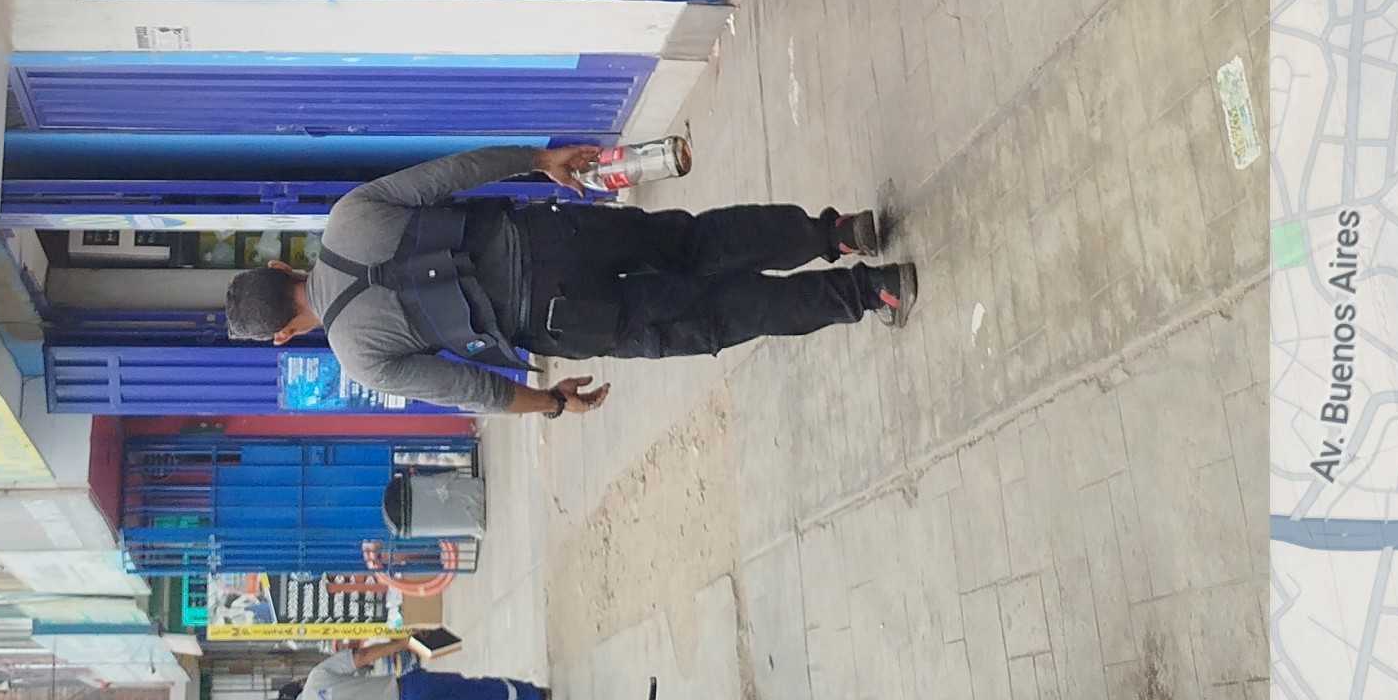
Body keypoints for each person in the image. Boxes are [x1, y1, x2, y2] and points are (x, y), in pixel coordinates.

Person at [223, 143, 911, 419]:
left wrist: (551, 403)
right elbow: (453, 173)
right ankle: (835, 234)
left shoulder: (359, 357)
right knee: (693, 241)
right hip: (550, 235)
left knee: (712, 317)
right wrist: (540, 158)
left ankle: (870, 290)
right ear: (282, 268)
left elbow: (471, 388)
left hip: (558, 317)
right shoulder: (348, 217)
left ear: (283, 335)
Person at [295, 636, 552, 700]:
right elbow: (362, 656)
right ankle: (534, 694)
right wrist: (404, 642)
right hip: (411, 690)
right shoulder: (316, 679)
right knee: (474, 691)